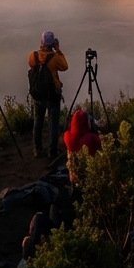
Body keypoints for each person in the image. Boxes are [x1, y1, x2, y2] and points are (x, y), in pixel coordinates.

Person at [28, 30, 68, 159]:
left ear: (41, 42)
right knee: (53, 121)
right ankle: (52, 151)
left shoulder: (32, 56)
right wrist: (58, 50)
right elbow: (65, 66)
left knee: (38, 120)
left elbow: (32, 66)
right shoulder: (55, 58)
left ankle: (37, 149)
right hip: (52, 94)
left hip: (38, 93)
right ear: (52, 43)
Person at [63, 109, 102, 184]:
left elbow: (68, 131)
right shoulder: (91, 138)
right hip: (90, 178)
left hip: (74, 179)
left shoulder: (67, 137)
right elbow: (100, 145)